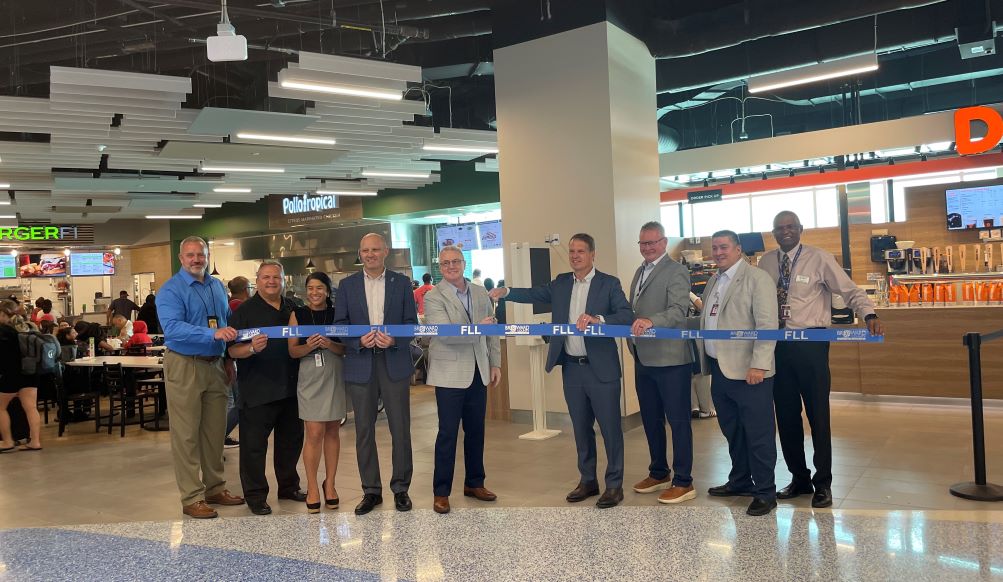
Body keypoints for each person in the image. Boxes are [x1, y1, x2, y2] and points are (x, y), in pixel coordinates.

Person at [490, 233, 633, 509]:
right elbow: (534, 294)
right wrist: (507, 292)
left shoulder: (609, 283)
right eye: (572, 251)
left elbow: (626, 315)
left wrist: (599, 319)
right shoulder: (561, 283)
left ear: (593, 254)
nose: (575, 256)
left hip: (602, 370)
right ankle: (588, 480)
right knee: (580, 428)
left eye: (581, 251)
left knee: (611, 430)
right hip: (572, 368)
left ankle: (614, 485)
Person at [757, 210, 885, 509]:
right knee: (786, 417)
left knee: (818, 416)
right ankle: (799, 478)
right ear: (773, 233)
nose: (785, 231)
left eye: (791, 226)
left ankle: (823, 483)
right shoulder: (765, 262)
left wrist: (869, 313)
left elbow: (849, 290)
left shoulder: (819, 258)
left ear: (800, 229)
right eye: (779, 228)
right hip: (777, 345)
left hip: (811, 345)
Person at [157, 236, 245, 519]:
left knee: (214, 432)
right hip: (185, 364)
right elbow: (172, 328)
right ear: (181, 258)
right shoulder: (171, 290)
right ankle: (192, 497)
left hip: (215, 364)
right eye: (190, 255)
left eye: (201, 254)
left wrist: (227, 358)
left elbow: (226, 323)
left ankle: (215, 488)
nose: (196, 259)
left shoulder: (216, 286)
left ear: (207, 256)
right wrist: (212, 333)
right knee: (186, 435)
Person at [333, 232, 418, 516]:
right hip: (361, 364)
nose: (370, 254)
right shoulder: (347, 285)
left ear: (385, 252)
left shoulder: (401, 283)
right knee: (364, 430)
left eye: (375, 249)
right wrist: (357, 341)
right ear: (360, 254)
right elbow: (340, 325)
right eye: (365, 250)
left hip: (394, 362)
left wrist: (394, 339)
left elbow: (411, 323)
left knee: (400, 428)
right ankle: (371, 490)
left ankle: (401, 488)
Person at [699, 230, 779, 516]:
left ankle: (765, 492)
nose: (718, 252)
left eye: (724, 247)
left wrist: (759, 364)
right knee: (733, 431)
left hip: (750, 372)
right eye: (714, 248)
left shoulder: (757, 279)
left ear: (738, 249)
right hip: (719, 370)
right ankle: (741, 481)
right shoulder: (714, 281)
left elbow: (767, 324)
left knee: (759, 434)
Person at [424, 246, 502, 514]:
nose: (451, 266)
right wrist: (478, 328)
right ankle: (441, 492)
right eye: (445, 263)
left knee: (476, 431)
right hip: (449, 375)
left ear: (464, 263)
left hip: (479, 370)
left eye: (455, 261)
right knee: (447, 434)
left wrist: (495, 363)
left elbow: (492, 329)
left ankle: (475, 483)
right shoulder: (434, 297)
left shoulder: (480, 292)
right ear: (440, 268)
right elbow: (446, 334)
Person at [227, 261, 305, 516]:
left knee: (290, 442)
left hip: (292, 387)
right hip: (258, 389)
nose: (271, 282)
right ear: (257, 280)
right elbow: (232, 350)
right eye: (266, 277)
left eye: (276, 277)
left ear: (283, 280)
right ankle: (256, 495)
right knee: (253, 447)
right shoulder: (244, 311)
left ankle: (289, 486)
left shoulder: (293, 307)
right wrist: (251, 348)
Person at [627, 221, 696, 505]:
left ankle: (683, 481)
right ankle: (658, 472)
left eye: (652, 243)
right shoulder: (639, 271)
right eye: (643, 243)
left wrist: (651, 321)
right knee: (651, 419)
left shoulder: (676, 270)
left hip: (671, 359)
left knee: (678, 421)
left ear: (664, 243)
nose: (647, 248)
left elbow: (679, 311)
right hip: (643, 357)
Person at [287, 272, 346, 514]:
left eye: (319, 288)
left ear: (327, 291)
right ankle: (312, 486)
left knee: (332, 430)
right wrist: (308, 346)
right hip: (309, 376)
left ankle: (329, 484)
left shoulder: (338, 314)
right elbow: (293, 351)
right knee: (314, 432)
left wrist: (329, 344)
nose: (314, 292)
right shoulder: (297, 315)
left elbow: (345, 348)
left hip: (334, 373)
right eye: (310, 288)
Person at [0, 300, 42, 452]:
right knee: (31, 408)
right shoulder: (30, 327)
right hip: (30, 373)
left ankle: (7, 441)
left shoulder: (4, 331)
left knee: (0, 408)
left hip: (10, 374)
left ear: (3, 314)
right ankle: (35, 441)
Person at [224, 277, 250, 449]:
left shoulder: (228, 305)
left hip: (230, 359)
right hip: (233, 360)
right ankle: (220, 435)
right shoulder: (239, 307)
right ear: (246, 289)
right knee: (239, 403)